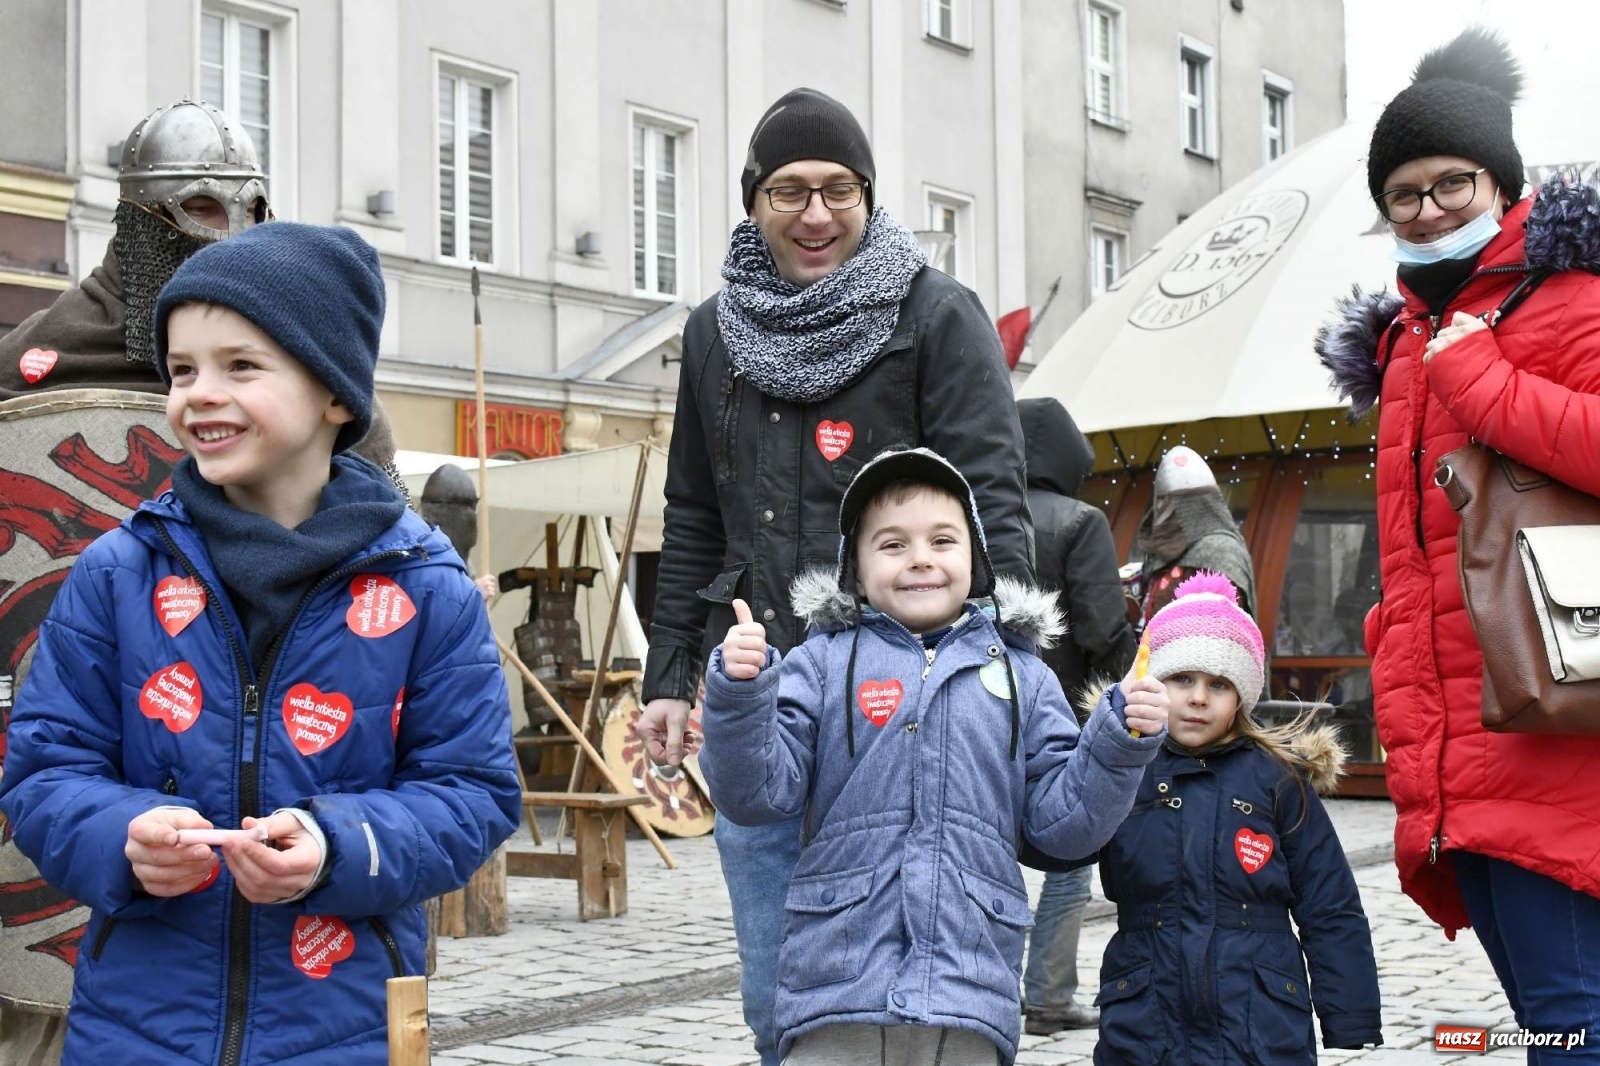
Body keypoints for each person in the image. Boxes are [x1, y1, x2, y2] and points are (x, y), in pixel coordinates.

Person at [0, 222, 521, 1064]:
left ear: (336, 394)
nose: (199, 392)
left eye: (240, 365)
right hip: (137, 1029)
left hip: (339, 1028)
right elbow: (45, 772)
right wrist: (122, 836)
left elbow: (472, 794)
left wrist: (337, 847)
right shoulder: (115, 573)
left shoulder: (429, 591)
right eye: (181, 370)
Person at [635, 87, 1033, 1063]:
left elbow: (993, 500)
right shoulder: (712, 337)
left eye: (837, 190)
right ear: (752, 200)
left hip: (910, 707)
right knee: (780, 1004)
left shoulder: (935, 316)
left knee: (919, 998)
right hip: (758, 699)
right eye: (788, 191)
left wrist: (1011, 672)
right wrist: (668, 678)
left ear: (866, 194)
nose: (815, 215)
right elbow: (693, 513)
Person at [1317, 27, 1600, 1051]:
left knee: (1574, 1024)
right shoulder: (1403, 339)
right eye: (1403, 193)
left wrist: (1482, 379)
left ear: (1504, 182)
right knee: (1548, 1021)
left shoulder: (1570, 301)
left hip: (1560, 721)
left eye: (1452, 183)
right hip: (1463, 729)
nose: (1427, 209)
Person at [700, 448, 1164, 1065]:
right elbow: (755, 795)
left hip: (966, 990)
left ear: (974, 559)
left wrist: (1115, 744)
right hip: (835, 989)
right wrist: (740, 695)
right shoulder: (819, 665)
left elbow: (1063, 829)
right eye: (891, 545)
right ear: (855, 570)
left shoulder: (1024, 675)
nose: (920, 557)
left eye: (942, 540)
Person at [1091, 572, 1382, 1063]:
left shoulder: (1278, 780)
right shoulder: (1125, 770)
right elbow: (1059, 839)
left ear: (1241, 698)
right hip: (1146, 1016)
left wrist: (1349, 1013)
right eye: (1181, 679)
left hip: (1258, 1022)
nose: (1199, 697)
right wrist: (1102, 750)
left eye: (1218, 684)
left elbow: (1328, 902)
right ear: (1152, 683)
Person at [1015, 397, 1137, 1035]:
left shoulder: (977, 510)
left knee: (984, 857)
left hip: (979, 706)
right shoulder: (1080, 519)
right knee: (1068, 859)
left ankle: (982, 990)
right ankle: (1049, 994)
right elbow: (1098, 626)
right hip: (1058, 710)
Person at [1131, 446, 1255, 626]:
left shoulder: (1221, 552)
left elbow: (1223, 633)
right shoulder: (1166, 553)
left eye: (1167, 501)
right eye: (1161, 501)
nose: (1160, 508)